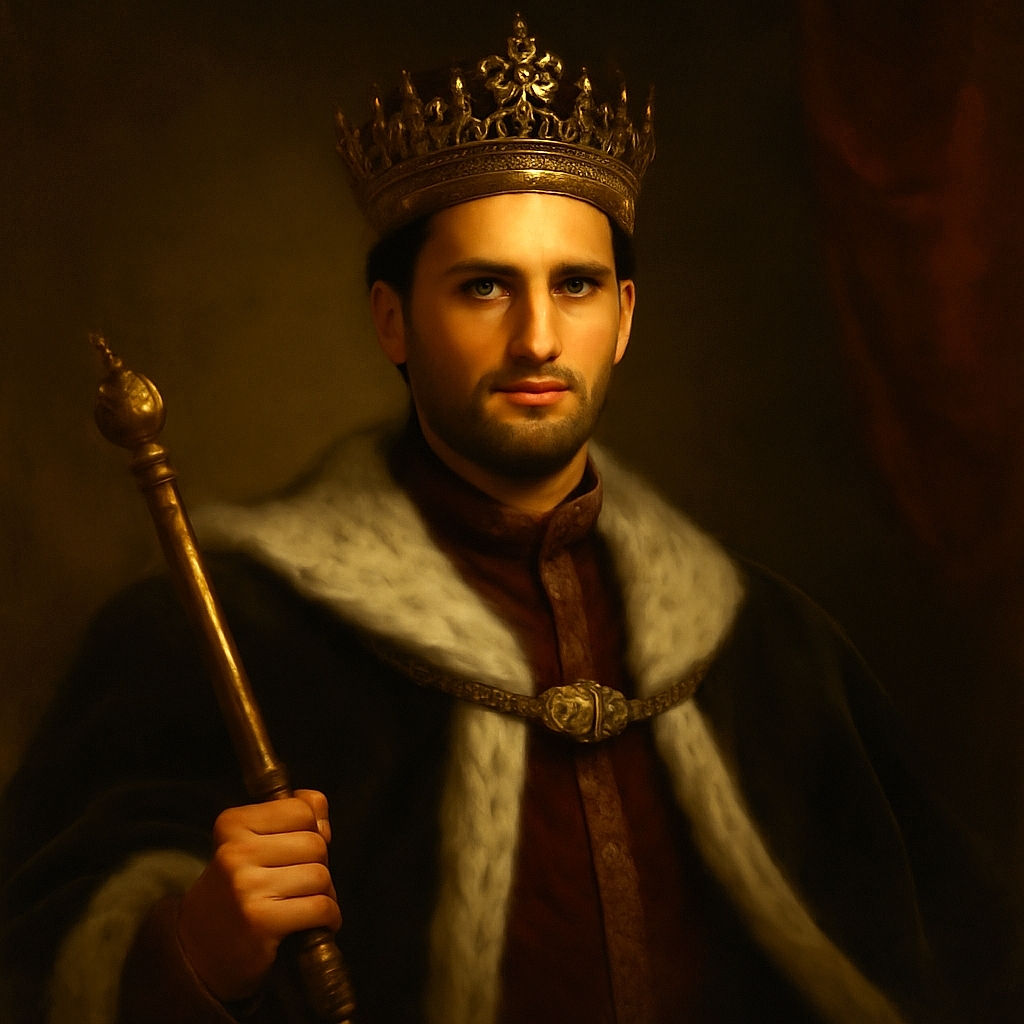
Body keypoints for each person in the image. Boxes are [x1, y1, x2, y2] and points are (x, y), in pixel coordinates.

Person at [0, 16, 1019, 1024]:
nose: (537, 338)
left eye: (572, 286)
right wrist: (188, 953)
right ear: (392, 320)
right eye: (484, 287)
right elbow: (32, 954)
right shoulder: (211, 635)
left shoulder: (776, 651)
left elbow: (951, 960)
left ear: (622, 318)